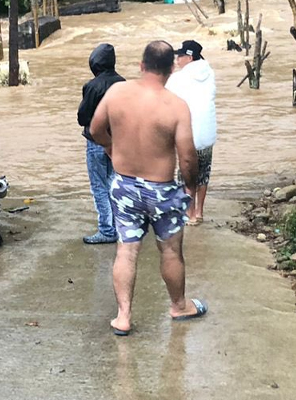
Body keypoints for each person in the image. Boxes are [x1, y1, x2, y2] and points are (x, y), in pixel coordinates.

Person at [89, 40, 208, 336]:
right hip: (162, 191)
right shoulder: (177, 107)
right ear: (171, 69)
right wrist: (190, 188)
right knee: (170, 252)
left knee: (126, 252)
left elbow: (94, 129)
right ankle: (179, 306)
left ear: (141, 66)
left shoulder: (116, 92)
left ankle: (123, 317)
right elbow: (188, 156)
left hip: (124, 185)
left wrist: (111, 147)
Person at [76, 43, 125, 244]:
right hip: (119, 141)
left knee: (99, 186)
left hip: (96, 142)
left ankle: (106, 229)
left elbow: (82, 116)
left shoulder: (92, 86)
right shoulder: (123, 83)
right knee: (116, 183)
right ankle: (120, 225)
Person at [166, 40, 218, 225]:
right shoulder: (210, 73)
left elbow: (166, 98)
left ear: (189, 58)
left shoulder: (178, 78)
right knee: (204, 173)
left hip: (187, 133)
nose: (177, 60)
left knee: (186, 174)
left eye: (179, 56)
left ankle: (189, 214)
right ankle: (200, 212)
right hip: (207, 131)